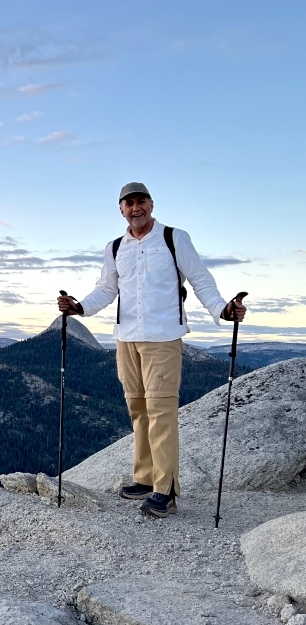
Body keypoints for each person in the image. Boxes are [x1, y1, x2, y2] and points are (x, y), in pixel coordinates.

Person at [57, 182, 246, 518]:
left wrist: (222, 310)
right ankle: (144, 478)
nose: (135, 208)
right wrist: (79, 307)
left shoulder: (174, 238)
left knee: (160, 413)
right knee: (138, 410)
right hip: (126, 338)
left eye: (140, 201)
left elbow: (200, 278)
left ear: (151, 204)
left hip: (162, 338)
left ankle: (166, 491)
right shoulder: (115, 247)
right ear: (121, 209)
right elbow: (107, 288)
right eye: (128, 203)